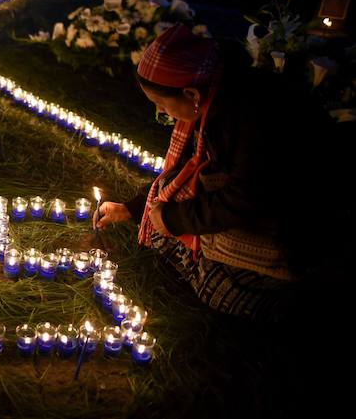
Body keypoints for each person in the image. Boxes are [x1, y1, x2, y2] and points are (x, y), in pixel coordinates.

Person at [96, 24, 333, 321]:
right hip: (251, 203)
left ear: (190, 93)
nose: (162, 114)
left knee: (222, 294)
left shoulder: (250, 117)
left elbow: (247, 197)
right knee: (160, 225)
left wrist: (173, 217)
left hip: (295, 225)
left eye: (161, 105)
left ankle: (302, 296)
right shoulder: (217, 95)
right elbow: (182, 170)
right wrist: (133, 208)